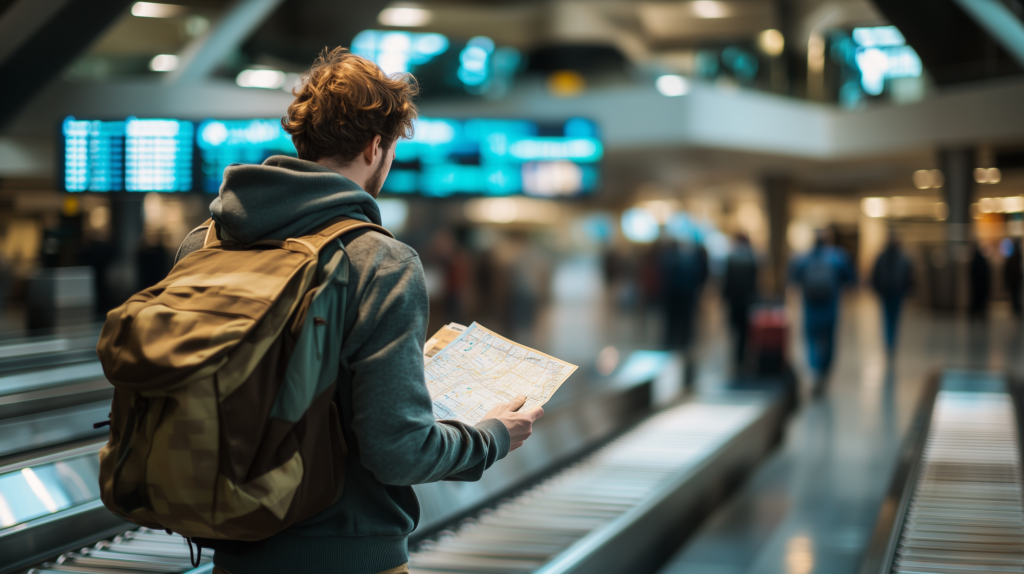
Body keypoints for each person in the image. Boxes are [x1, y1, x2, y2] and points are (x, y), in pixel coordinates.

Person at [173, 48, 542, 574]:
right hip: (350, 556)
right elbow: (399, 450)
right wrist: (492, 435)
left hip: (234, 552)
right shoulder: (380, 260)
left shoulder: (204, 244)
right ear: (375, 148)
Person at [789, 229, 856, 396]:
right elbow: (851, 279)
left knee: (811, 339)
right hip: (831, 306)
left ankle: (815, 370)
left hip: (811, 306)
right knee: (830, 340)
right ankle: (824, 370)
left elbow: (794, 279)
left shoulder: (803, 258)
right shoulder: (838, 257)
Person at [870, 233, 913, 357]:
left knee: (887, 317)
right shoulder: (903, 257)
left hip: (886, 291)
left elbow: (875, 274)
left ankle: (889, 342)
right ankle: (892, 342)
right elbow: (909, 275)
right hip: (897, 291)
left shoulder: (882, 256)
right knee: (895, 318)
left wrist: (876, 288)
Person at [721, 233, 758, 368]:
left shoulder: (731, 258)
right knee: (744, 331)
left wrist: (725, 297)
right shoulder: (752, 259)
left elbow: (726, 282)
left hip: (734, 301)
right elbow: (755, 284)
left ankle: (737, 357)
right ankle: (742, 357)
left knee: (735, 330)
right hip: (747, 301)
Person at [969, 243, 991, 320]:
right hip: (981, 285)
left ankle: (975, 314)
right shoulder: (982, 260)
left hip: (977, 285)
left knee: (976, 299)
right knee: (980, 300)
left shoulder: (975, 260)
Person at [1004, 238, 1023, 319]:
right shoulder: (1016, 255)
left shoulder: (1013, 255)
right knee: (1015, 295)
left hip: (1014, 279)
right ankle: (1016, 308)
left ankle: (1016, 308)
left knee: (1015, 295)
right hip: (1015, 279)